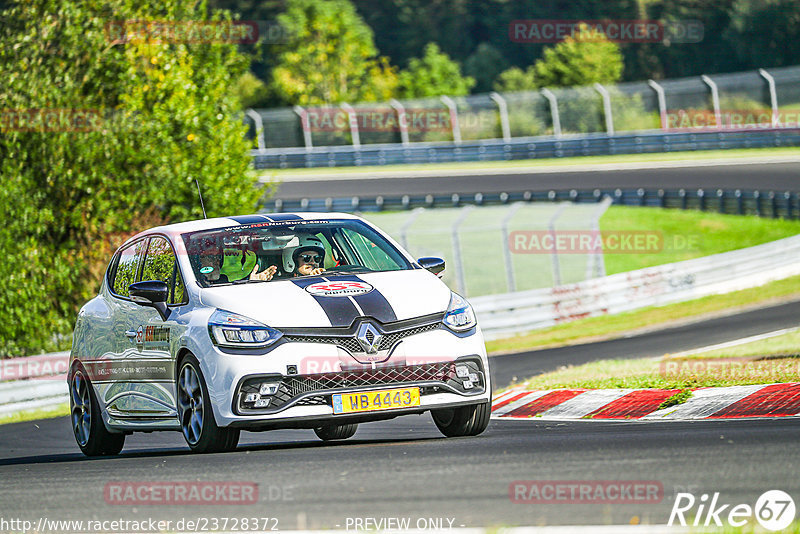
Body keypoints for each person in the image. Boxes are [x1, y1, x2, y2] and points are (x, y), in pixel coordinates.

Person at [250, 233, 326, 281]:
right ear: (292, 259)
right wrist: (255, 282)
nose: (313, 262)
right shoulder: (279, 282)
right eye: (306, 258)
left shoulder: (326, 279)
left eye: (317, 258)